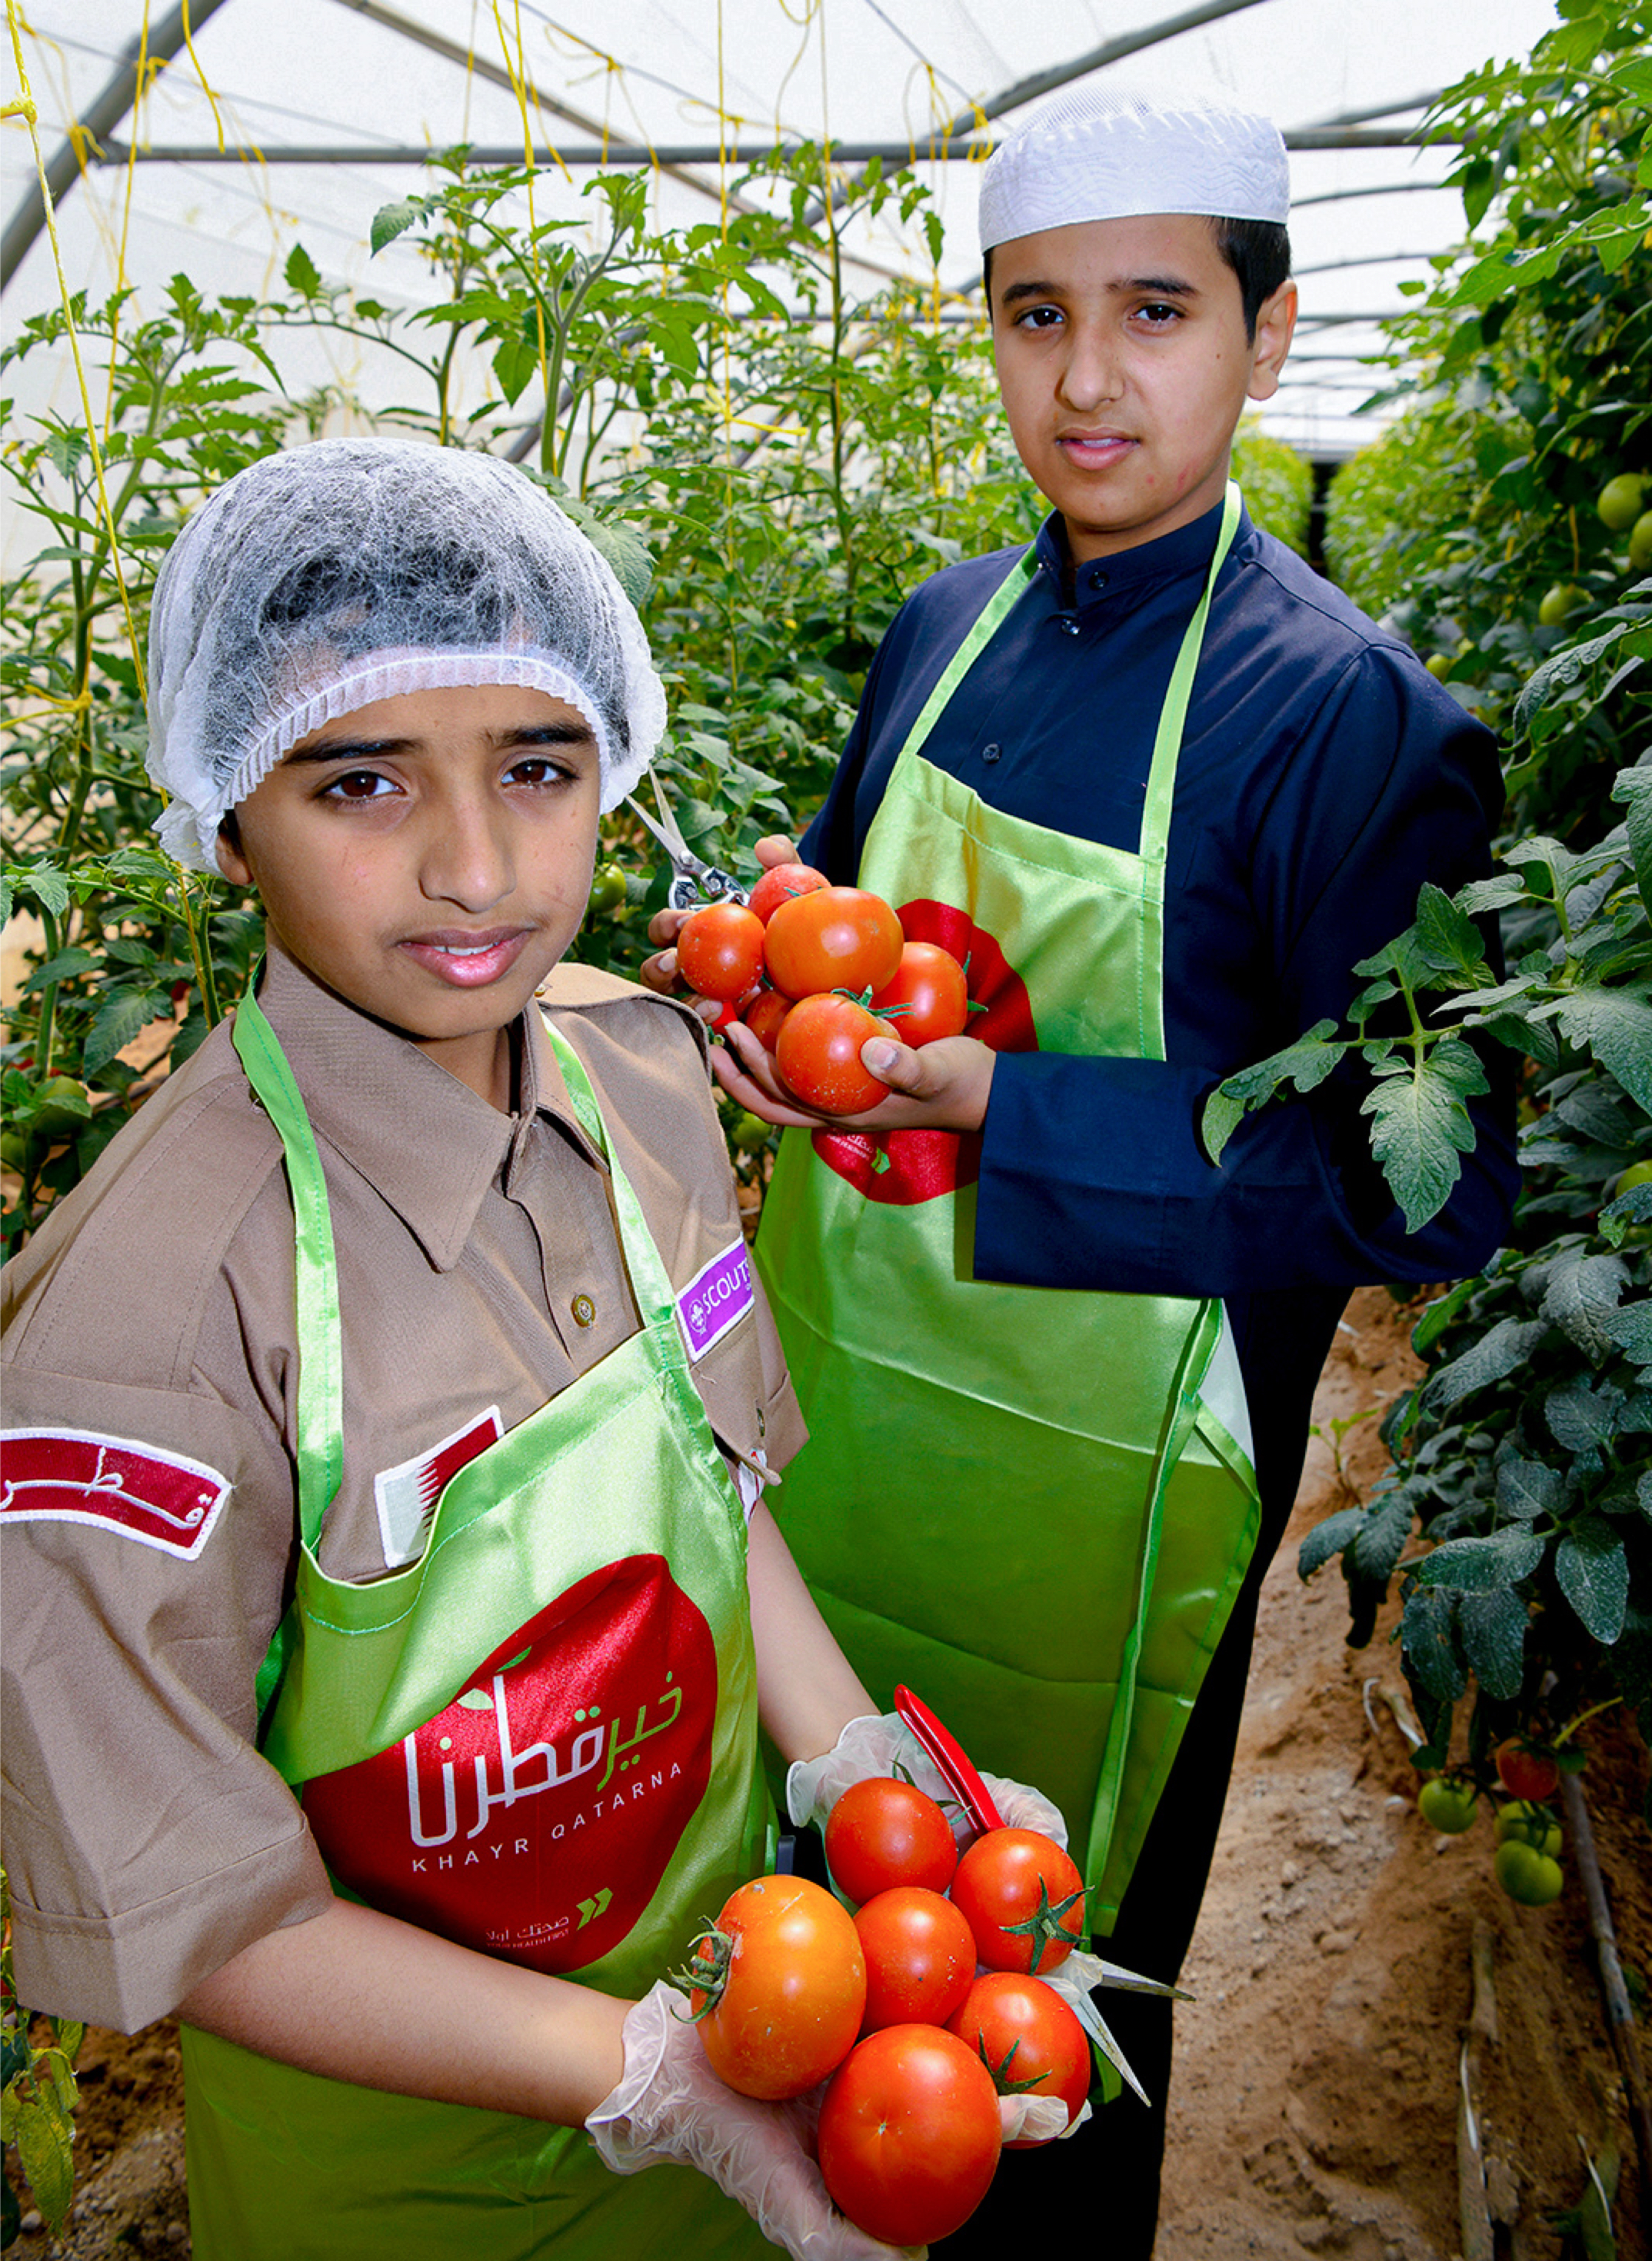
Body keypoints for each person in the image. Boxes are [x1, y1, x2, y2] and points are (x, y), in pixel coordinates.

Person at [0, 436, 1062, 2261]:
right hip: (398, 2176)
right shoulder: (143, 1336)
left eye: (539, 765)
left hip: (761, 2015)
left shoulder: (640, 1077)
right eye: (359, 781)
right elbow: (206, 1906)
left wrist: (857, 1769)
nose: (476, 867)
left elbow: (716, 1514)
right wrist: (648, 2075)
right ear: (227, 806)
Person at [647, 83, 1517, 2251]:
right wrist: (780, 1005)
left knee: (1030, 1989)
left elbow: (1423, 1182)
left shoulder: (1352, 720)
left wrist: (993, 1113)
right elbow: (856, 936)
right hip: (849, 1406)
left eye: (1152, 311)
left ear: (1268, 331)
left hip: (1121, 1472)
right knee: (800, 1895)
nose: (1087, 375)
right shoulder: (940, 624)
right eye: (1033, 316)